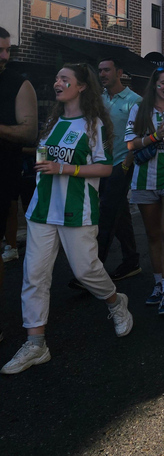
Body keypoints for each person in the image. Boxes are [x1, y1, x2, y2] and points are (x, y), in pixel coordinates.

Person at [0, 63, 133, 374]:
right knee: (34, 275)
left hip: (78, 209)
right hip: (42, 209)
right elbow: (43, 158)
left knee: (86, 271)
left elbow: (104, 168)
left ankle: (116, 302)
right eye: (56, 78)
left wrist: (64, 169)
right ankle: (36, 343)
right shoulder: (53, 121)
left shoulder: (93, 124)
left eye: (64, 79)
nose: (57, 83)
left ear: (81, 86)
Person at [125, 66, 164, 316]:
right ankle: (157, 284)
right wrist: (156, 137)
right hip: (144, 181)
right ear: (154, 84)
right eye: (163, 83)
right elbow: (131, 144)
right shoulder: (139, 109)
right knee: (153, 236)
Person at [0, 26, 38, 338]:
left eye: (7, 50)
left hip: (5, 172)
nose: (4, 56)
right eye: (0, 50)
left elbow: (28, 133)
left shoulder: (17, 84)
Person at [95, 58, 142, 280]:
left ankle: (92, 271)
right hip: (100, 164)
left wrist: (127, 164)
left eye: (107, 70)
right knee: (119, 213)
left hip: (120, 165)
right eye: (100, 71)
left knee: (105, 214)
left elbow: (139, 135)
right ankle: (131, 261)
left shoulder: (135, 101)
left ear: (119, 72)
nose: (102, 74)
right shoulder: (99, 99)